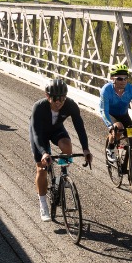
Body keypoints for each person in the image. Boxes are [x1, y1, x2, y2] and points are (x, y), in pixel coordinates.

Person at [29, 78, 92, 221]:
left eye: (62, 98)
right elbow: (37, 134)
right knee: (41, 168)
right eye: (55, 98)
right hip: (40, 133)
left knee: (66, 144)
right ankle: (43, 203)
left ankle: (63, 175)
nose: (58, 102)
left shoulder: (70, 105)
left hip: (56, 129)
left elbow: (80, 128)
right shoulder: (38, 107)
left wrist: (86, 149)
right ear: (47, 96)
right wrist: (44, 153)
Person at [99, 62, 132, 170]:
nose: (123, 81)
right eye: (119, 78)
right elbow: (104, 110)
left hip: (124, 115)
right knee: (118, 128)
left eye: (125, 78)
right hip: (111, 114)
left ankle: (131, 170)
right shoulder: (106, 90)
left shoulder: (131, 89)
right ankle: (111, 146)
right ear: (113, 78)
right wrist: (110, 126)